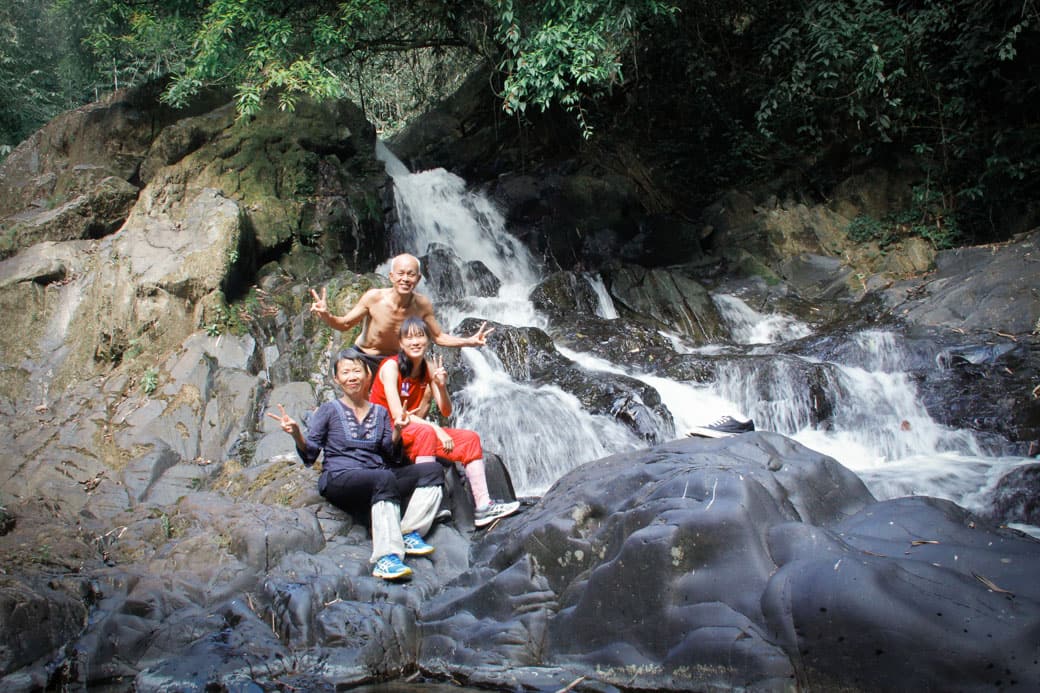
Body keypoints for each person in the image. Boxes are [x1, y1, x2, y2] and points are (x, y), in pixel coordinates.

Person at [266, 347, 444, 581]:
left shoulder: (380, 413)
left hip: (376, 477)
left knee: (433, 470)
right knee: (384, 478)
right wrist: (297, 434)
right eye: (346, 372)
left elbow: (392, 456)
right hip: (340, 478)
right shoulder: (329, 411)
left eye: (357, 371)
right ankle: (386, 557)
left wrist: (398, 432)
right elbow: (310, 456)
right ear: (336, 379)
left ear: (368, 375)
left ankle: (409, 530)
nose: (352, 376)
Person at [370, 316, 520, 528]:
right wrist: (436, 428)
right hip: (388, 433)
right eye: (409, 338)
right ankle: (431, 503)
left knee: (469, 439)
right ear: (400, 343)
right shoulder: (390, 367)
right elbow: (398, 416)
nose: (415, 342)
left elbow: (446, 410)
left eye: (420, 336)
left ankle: (484, 506)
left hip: (412, 433)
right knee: (427, 433)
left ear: (428, 340)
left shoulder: (429, 367)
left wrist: (440, 386)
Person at [308, 253, 494, 374]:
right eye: (401, 273)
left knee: (428, 374)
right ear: (391, 277)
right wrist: (326, 315)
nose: (405, 279)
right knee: (348, 367)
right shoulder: (374, 298)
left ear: (418, 279)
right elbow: (345, 324)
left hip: (398, 362)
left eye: (411, 274)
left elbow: (438, 336)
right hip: (365, 356)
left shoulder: (422, 305)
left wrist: (469, 341)